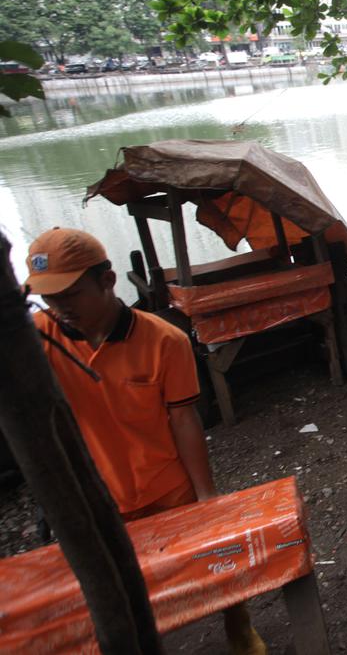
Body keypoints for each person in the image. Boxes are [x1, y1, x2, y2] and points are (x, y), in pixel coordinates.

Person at [24, 227, 266, 655]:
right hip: (94, 495)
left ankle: (239, 625)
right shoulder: (35, 343)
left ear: (107, 280)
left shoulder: (163, 341)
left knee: (214, 560)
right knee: (109, 588)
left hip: (165, 485)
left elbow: (183, 418)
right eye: (49, 297)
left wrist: (205, 494)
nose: (59, 307)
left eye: (70, 293)